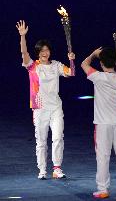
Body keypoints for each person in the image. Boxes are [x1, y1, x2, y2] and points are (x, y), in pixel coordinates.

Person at [16, 20, 75, 180]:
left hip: (56, 106)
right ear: (38, 52)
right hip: (39, 107)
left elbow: (71, 73)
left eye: (47, 50)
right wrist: (23, 36)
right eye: (42, 50)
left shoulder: (56, 65)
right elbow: (24, 53)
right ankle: (42, 170)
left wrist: (71, 59)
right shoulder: (32, 66)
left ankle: (57, 168)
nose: (45, 52)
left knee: (57, 137)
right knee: (41, 140)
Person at [81, 47, 116, 198]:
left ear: (102, 63)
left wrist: (93, 54)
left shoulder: (97, 76)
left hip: (103, 124)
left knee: (103, 156)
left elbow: (83, 64)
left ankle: (103, 189)